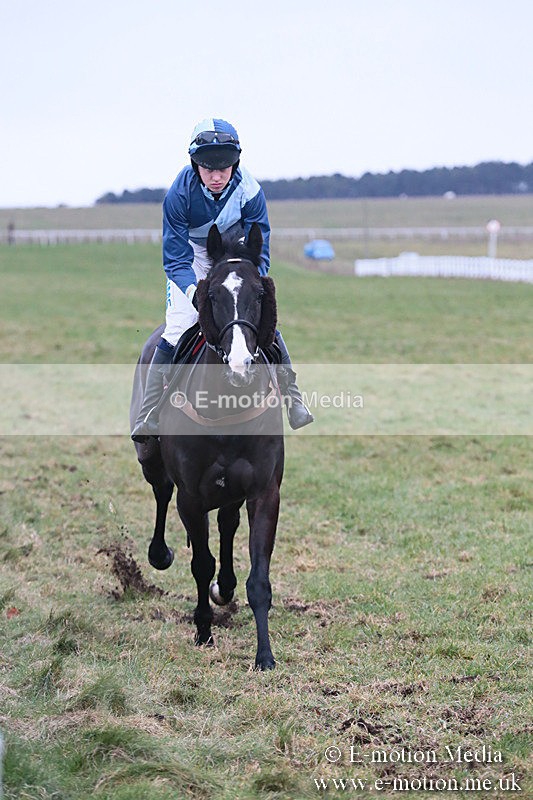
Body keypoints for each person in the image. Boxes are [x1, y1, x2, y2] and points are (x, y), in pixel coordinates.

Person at [131, 118, 313, 442]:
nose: (216, 176)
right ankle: (150, 412)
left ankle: (294, 400)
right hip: (192, 258)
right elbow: (174, 258)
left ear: (235, 164)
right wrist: (195, 293)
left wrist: (251, 282)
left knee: (259, 321)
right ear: (195, 165)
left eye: (224, 168)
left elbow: (261, 246)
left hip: (234, 255)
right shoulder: (178, 194)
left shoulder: (251, 191)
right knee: (177, 326)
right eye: (207, 169)